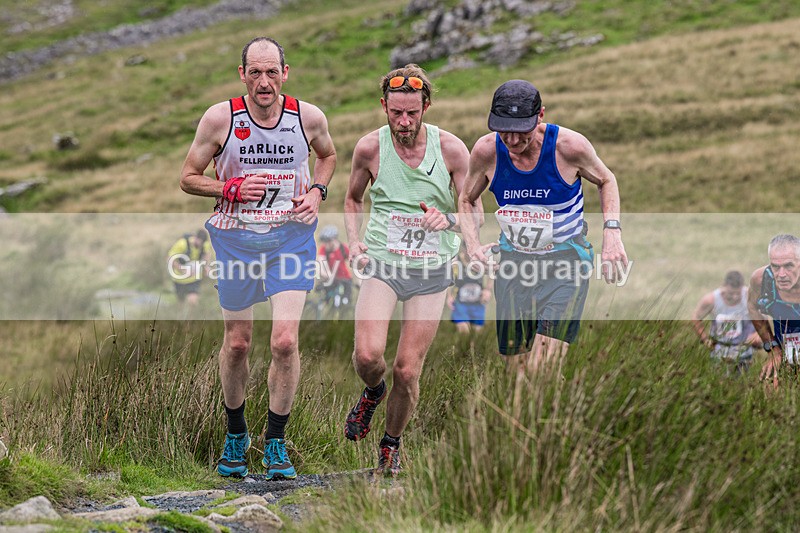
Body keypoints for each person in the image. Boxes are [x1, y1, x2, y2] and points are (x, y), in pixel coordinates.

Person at [179, 37, 336, 478]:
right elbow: (188, 178)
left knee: (284, 341)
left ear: (285, 73)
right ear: (242, 74)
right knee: (238, 342)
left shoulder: (308, 117)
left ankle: (276, 443)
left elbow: (328, 156)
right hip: (236, 239)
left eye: (272, 72)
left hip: (290, 237)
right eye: (255, 73)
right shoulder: (220, 118)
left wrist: (317, 192)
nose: (263, 82)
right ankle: (235, 432)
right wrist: (227, 188)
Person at [343, 64, 470, 475]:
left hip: (432, 270)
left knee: (407, 368)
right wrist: (353, 239)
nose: (404, 122)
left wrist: (448, 221)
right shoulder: (369, 149)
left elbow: (473, 211)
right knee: (368, 356)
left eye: (412, 113)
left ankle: (390, 445)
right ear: (384, 106)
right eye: (395, 112)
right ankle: (372, 392)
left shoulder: (451, 150)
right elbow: (352, 199)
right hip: (383, 262)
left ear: (426, 106)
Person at [459, 80, 628, 373]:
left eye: (521, 130)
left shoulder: (569, 147)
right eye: (503, 130)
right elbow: (465, 199)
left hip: (565, 266)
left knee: (541, 369)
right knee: (516, 372)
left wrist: (612, 234)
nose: (511, 140)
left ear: (540, 116)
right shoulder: (487, 151)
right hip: (513, 268)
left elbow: (606, 179)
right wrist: (472, 247)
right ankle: (540, 415)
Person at [748, 234, 800, 387]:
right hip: (784, 346)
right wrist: (772, 348)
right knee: (772, 390)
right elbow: (752, 307)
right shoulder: (761, 280)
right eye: (775, 266)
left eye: (789, 266)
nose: (781, 274)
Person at [691, 270, 761, 375]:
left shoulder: (750, 297)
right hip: (719, 354)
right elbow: (695, 318)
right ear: (723, 286)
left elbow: (763, 321)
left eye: (738, 293)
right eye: (731, 293)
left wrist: (756, 335)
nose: (735, 297)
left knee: (743, 387)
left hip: (745, 354)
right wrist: (705, 339)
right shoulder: (711, 300)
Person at [447, 245, 492, 333]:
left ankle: (474, 346)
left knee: (477, 333)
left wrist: (487, 290)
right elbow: (448, 277)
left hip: (478, 301)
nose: (470, 254)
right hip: (460, 301)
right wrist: (449, 296)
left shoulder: (482, 259)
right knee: (464, 331)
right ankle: (463, 346)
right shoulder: (456, 261)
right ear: (463, 250)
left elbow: (492, 272)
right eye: (467, 250)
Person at [315, 224, 354, 316]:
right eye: (324, 242)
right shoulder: (323, 250)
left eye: (327, 241)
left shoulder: (343, 248)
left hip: (345, 279)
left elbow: (355, 264)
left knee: (345, 302)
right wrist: (328, 275)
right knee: (327, 301)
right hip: (331, 279)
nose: (325, 244)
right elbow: (321, 264)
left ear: (334, 240)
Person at [167, 229, 212, 307]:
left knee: (193, 302)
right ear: (195, 237)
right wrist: (181, 269)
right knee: (181, 304)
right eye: (198, 242)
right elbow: (169, 258)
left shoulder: (205, 244)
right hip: (179, 278)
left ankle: (194, 318)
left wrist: (206, 266)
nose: (199, 245)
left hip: (194, 278)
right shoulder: (182, 243)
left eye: (201, 243)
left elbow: (207, 254)